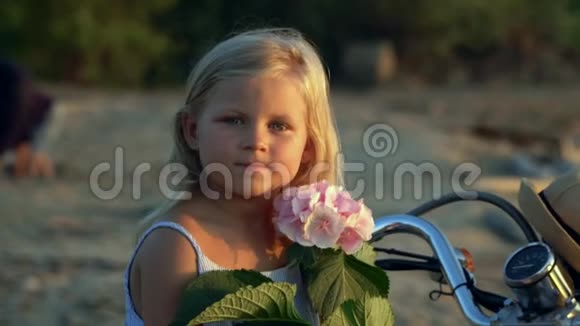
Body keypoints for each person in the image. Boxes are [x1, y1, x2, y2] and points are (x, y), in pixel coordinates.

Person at [123, 28, 344, 325]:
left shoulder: (309, 238)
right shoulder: (177, 246)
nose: (255, 141)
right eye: (234, 120)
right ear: (192, 130)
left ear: (308, 146)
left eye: (278, 126)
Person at [0, 58, 55, 178]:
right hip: (22, 112)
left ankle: (39, 166)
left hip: (39, 115)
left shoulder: (10, 78)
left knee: (28, 165)